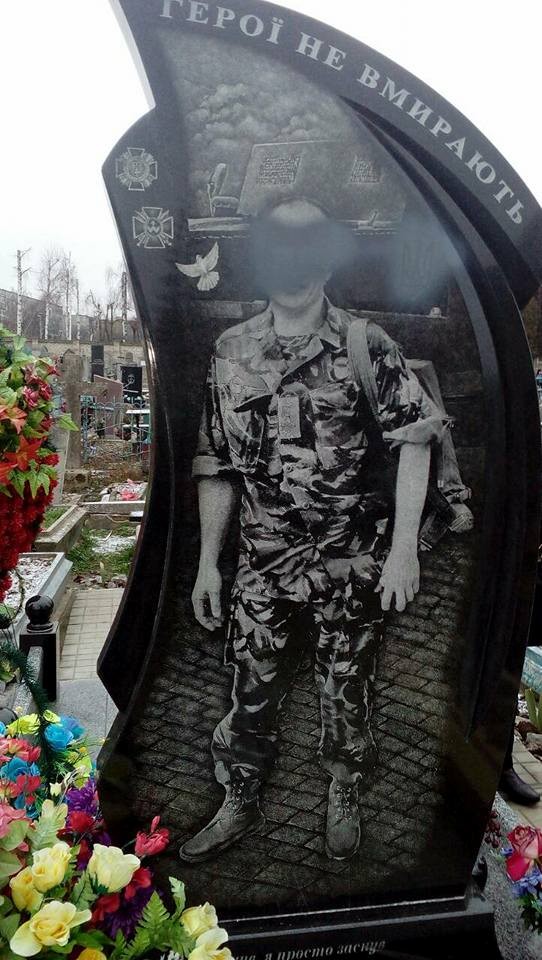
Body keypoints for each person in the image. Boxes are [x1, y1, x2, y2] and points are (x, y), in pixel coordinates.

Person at [180, 199, 446, 864]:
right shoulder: (231, 352)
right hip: (263, 559)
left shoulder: (365, 344)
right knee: (249, 686)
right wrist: (209, 562)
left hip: (347, 558)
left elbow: (416, 440)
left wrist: (403, 551)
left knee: (346, 687)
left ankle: (344, 787)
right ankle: (240, 797)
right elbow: (217, 464)